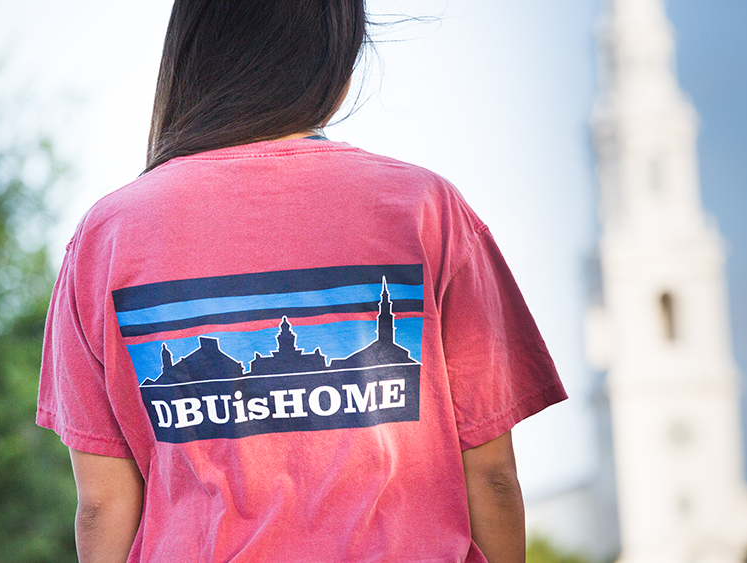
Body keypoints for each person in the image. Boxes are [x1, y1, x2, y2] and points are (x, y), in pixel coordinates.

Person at [36, 1, 567, 562]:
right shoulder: (426, 210)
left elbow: (102, 503)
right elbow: (492, 477)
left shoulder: (107, 236)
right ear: (332, 67)